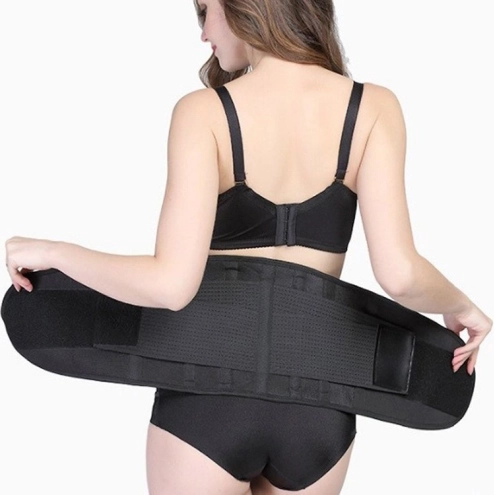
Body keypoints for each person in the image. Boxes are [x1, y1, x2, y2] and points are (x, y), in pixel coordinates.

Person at [4, 0, 492, 494]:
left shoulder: (204, 112)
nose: (204, 34)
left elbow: (170, 285)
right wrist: (462, 306)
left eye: (205, 11)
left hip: (207, 402)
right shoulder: (374, 107)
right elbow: (400, 273)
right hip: (319, 412)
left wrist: (55, 253)